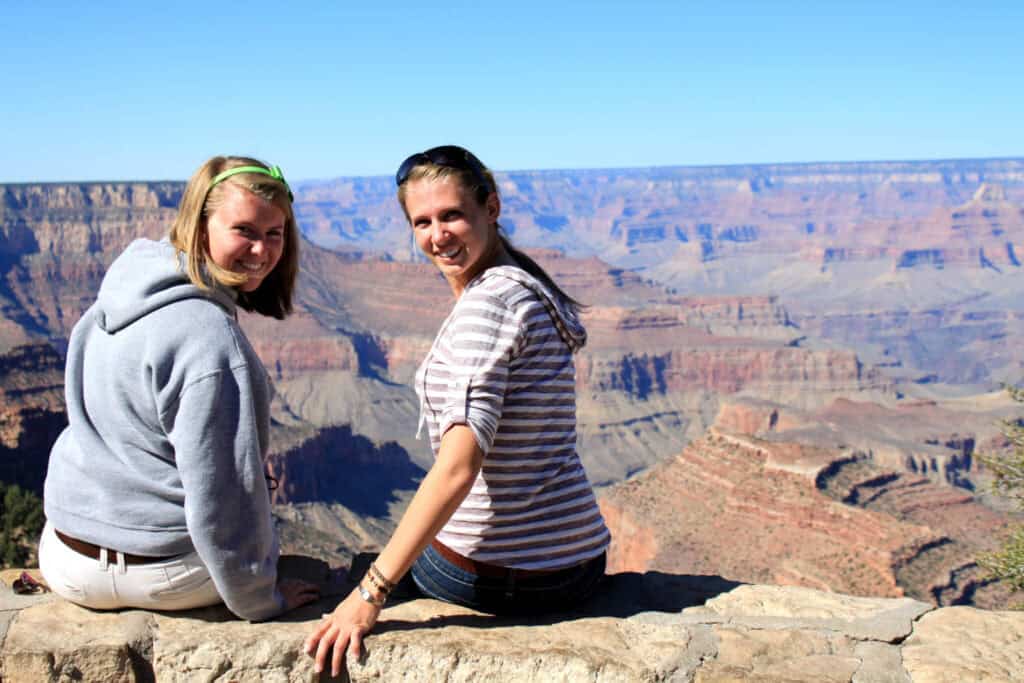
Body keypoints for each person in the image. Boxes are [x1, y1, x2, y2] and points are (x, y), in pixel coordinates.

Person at [305, 145, 610, 676]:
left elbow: (457, 469)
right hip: (578, 560)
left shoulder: (488, 307)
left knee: (359, 570)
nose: (437, 235)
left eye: (451, 215)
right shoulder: (525, 282)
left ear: (490, 208)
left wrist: (370, 593)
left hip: (511, 574)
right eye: (421, 222)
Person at [40, 156, 319, 621]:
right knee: (269, 534)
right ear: (200, 225)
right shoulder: (211, 341)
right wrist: (259, 598)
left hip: (65, 557)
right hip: (160, 574)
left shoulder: (116, 296)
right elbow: (222, 496)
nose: (262, 251)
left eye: (275, 233)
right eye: (244, 231)